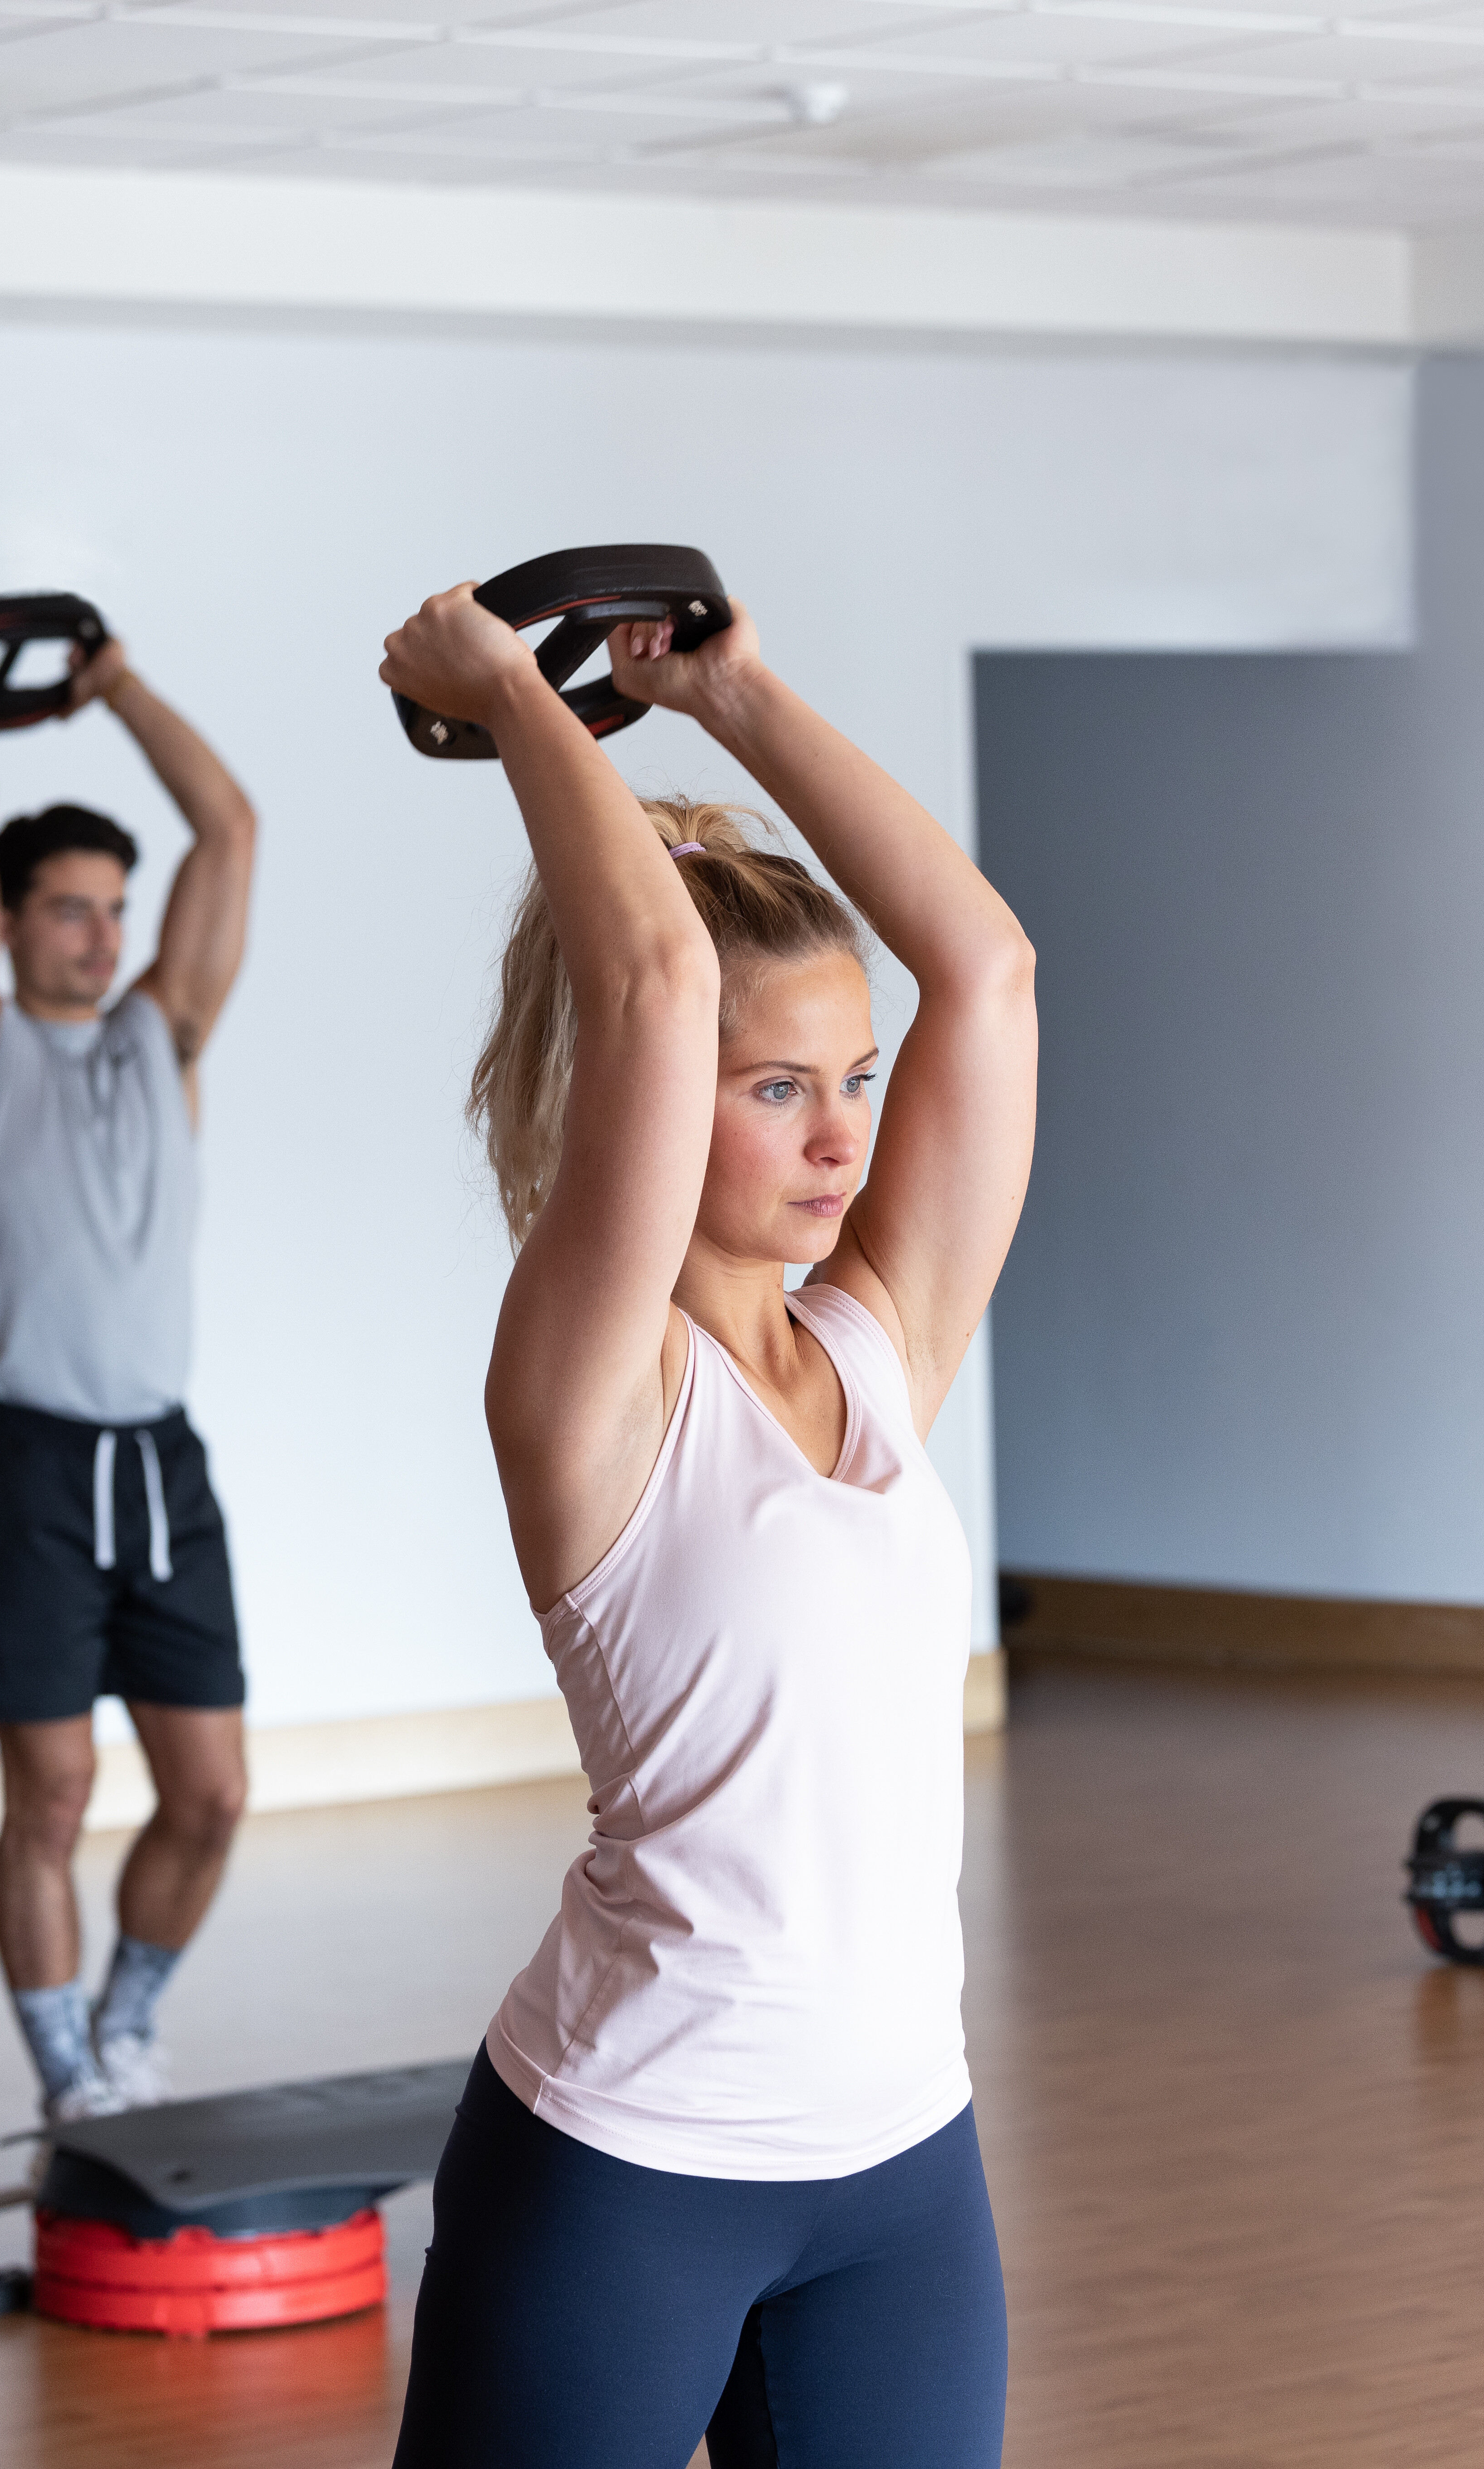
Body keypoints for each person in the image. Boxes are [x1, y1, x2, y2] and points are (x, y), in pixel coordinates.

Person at [378, 583, 1036, 2469]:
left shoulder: (882, 1339)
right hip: (627, 2173)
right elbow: (656, 990)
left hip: (906, 2171)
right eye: (777, 1091)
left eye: (855, 1083)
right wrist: (518, 701)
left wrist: (732, 691)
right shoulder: (594, 1387)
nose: (840, 1140)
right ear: (658, 1108)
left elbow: (984, 973)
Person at [0, 618, 259, 2124]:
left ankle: (125, 2029)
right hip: (26, 1469)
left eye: (116, 909)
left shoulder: (164, 1042)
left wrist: (112, 687)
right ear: (10, 926)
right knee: (49, 1798)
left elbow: (228, 826)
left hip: (161, 1467)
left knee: (212, 1795)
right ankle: (65, 2084)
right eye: (69, 911)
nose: (105, 936)